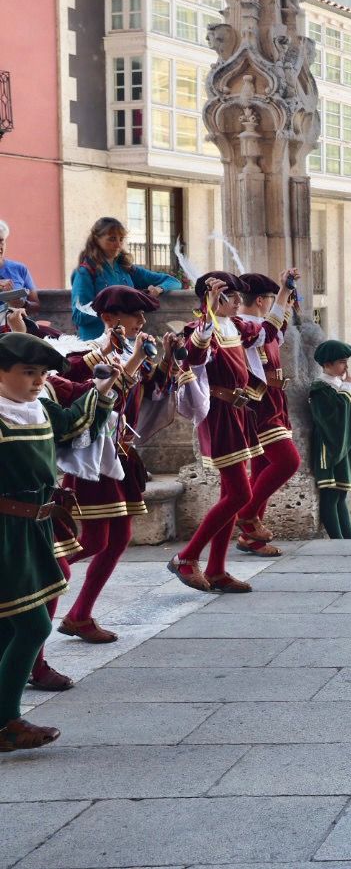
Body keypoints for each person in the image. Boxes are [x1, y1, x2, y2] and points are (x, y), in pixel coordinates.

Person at [0, 330, 116, 751]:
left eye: (42, 373)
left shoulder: (40, 409)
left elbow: (76, 422)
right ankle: (8, 721)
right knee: (33, 626)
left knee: (7, 629)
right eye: (27, 372)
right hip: (5, 533)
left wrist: (102, 387)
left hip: (36, 528)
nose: (36, 381)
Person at [55, 287, 185, 644]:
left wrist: (168, 359)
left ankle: (80, 613)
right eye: (135, 316)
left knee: (120, 537)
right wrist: (132, 359)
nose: (143, 322)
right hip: (93, 457)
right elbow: (96, 395)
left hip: (122, 455)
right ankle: (42, 569)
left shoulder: (133, 353)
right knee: (94, 540)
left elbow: (151, 390)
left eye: (144, 316)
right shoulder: (85, 355)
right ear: (110, 319)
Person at [167, 272, 266, 594]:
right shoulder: (199, 328)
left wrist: (282, 298)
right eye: (233, 295)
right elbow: (195, 356)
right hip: (219, 415)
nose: (239, 301)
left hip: (238, 412)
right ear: (215, 298)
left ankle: (217, 569)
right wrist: (208, 311)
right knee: (241, 494)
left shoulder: (235, 326)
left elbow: (268, 332)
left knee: (231, 494)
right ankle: (187, 556)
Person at [233, 271, 300, 559]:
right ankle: (245, 515)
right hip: (259, 403)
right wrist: (284, 291)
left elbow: (277, 328)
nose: (276, 305)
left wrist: (286, 292)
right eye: (271, 300)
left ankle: (251, 539)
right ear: (261, 300)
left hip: (274, 400)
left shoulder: (262, 324)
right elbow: (269, 330)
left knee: (261, 470)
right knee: (288, 462)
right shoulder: (245, 327)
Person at [68, 217, 183, 339]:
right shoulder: (84, 272)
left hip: (126, 343)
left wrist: (159, 289)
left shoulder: (126, 269)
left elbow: (174, 282)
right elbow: (78, 316)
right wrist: (114, 307)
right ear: (97, 239)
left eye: (121, 239)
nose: (118, 245)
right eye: (112, 239)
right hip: (97, 346)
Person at [308, 339, 351, 540]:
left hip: (343, 446)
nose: (346, 367)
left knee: (341, 495)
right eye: (341, 362)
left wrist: (346, 389)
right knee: (330, 496)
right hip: (329, 447)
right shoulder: (320, 388)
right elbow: (334, 418)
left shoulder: (338, 385)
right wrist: (347, 391)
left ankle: (349, 538)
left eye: (346, 362)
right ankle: (338, 540)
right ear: (327, 364)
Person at [0, 220, 40, 315]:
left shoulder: (19, 269)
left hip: (17, 327)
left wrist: (23, 304)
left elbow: (36, 306)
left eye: (1, 241)